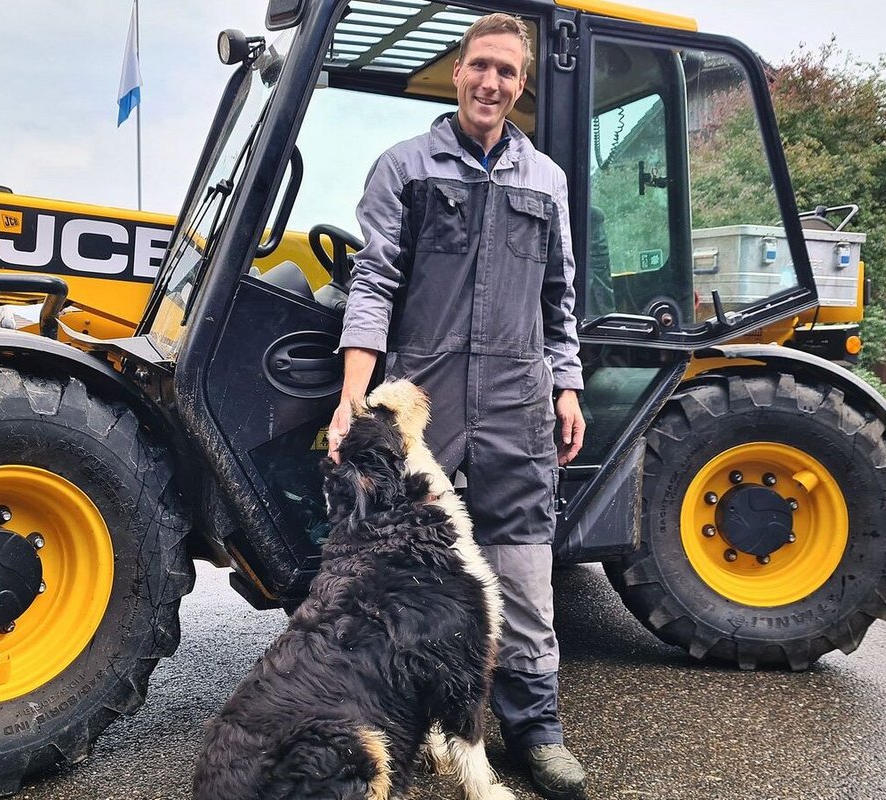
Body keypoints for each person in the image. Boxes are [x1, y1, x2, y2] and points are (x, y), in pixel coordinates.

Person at [327, 13, 587, 800]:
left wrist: (566, 385)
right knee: (400, 566)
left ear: (521, 84)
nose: (492, 83)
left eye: (508, 72)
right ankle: (394, 719)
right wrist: (350, 403)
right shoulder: (404, 167)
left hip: (517, 400)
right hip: (423, 404)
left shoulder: (546, 181)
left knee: (522, 566)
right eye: (480, 66)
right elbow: (371, 285)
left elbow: (559, 299)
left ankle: (536, 730)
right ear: (456, 71)